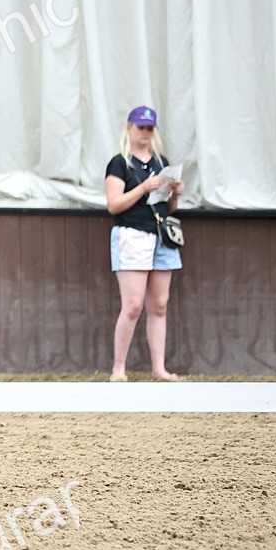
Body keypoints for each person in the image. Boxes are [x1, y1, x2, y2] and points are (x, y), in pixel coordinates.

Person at [104, 106, 184, 381]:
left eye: (150, 128)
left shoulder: (161, 162)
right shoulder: (120, 163)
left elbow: (168, 208)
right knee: (134, 304)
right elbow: (113, 205)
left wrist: (174, 194)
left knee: (160, 304)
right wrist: (142, 188)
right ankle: (119, 369)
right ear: (129, 127)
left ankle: (159, 368)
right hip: (132, 233)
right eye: (141, 127)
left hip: (161, 234)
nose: (146, 133)